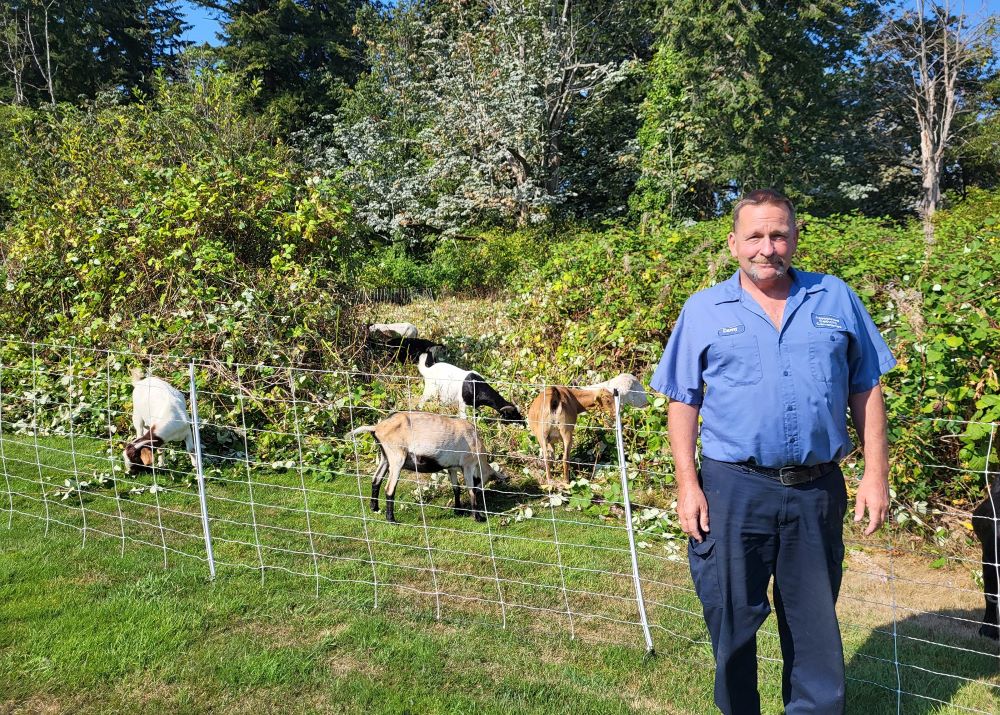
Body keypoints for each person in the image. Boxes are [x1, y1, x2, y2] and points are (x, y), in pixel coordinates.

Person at [650, 189, 895, 715]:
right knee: (731, 617)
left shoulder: (835, 298)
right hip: (732, 488)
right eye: (756, 236)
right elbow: (682, 399)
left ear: (795, 238)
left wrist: (876, 474)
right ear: (735, 242)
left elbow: (866, 386)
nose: (768, 247)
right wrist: (687, 485)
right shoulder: (704, 309)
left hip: (815, 490)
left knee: (813, 627)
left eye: (779, 234)